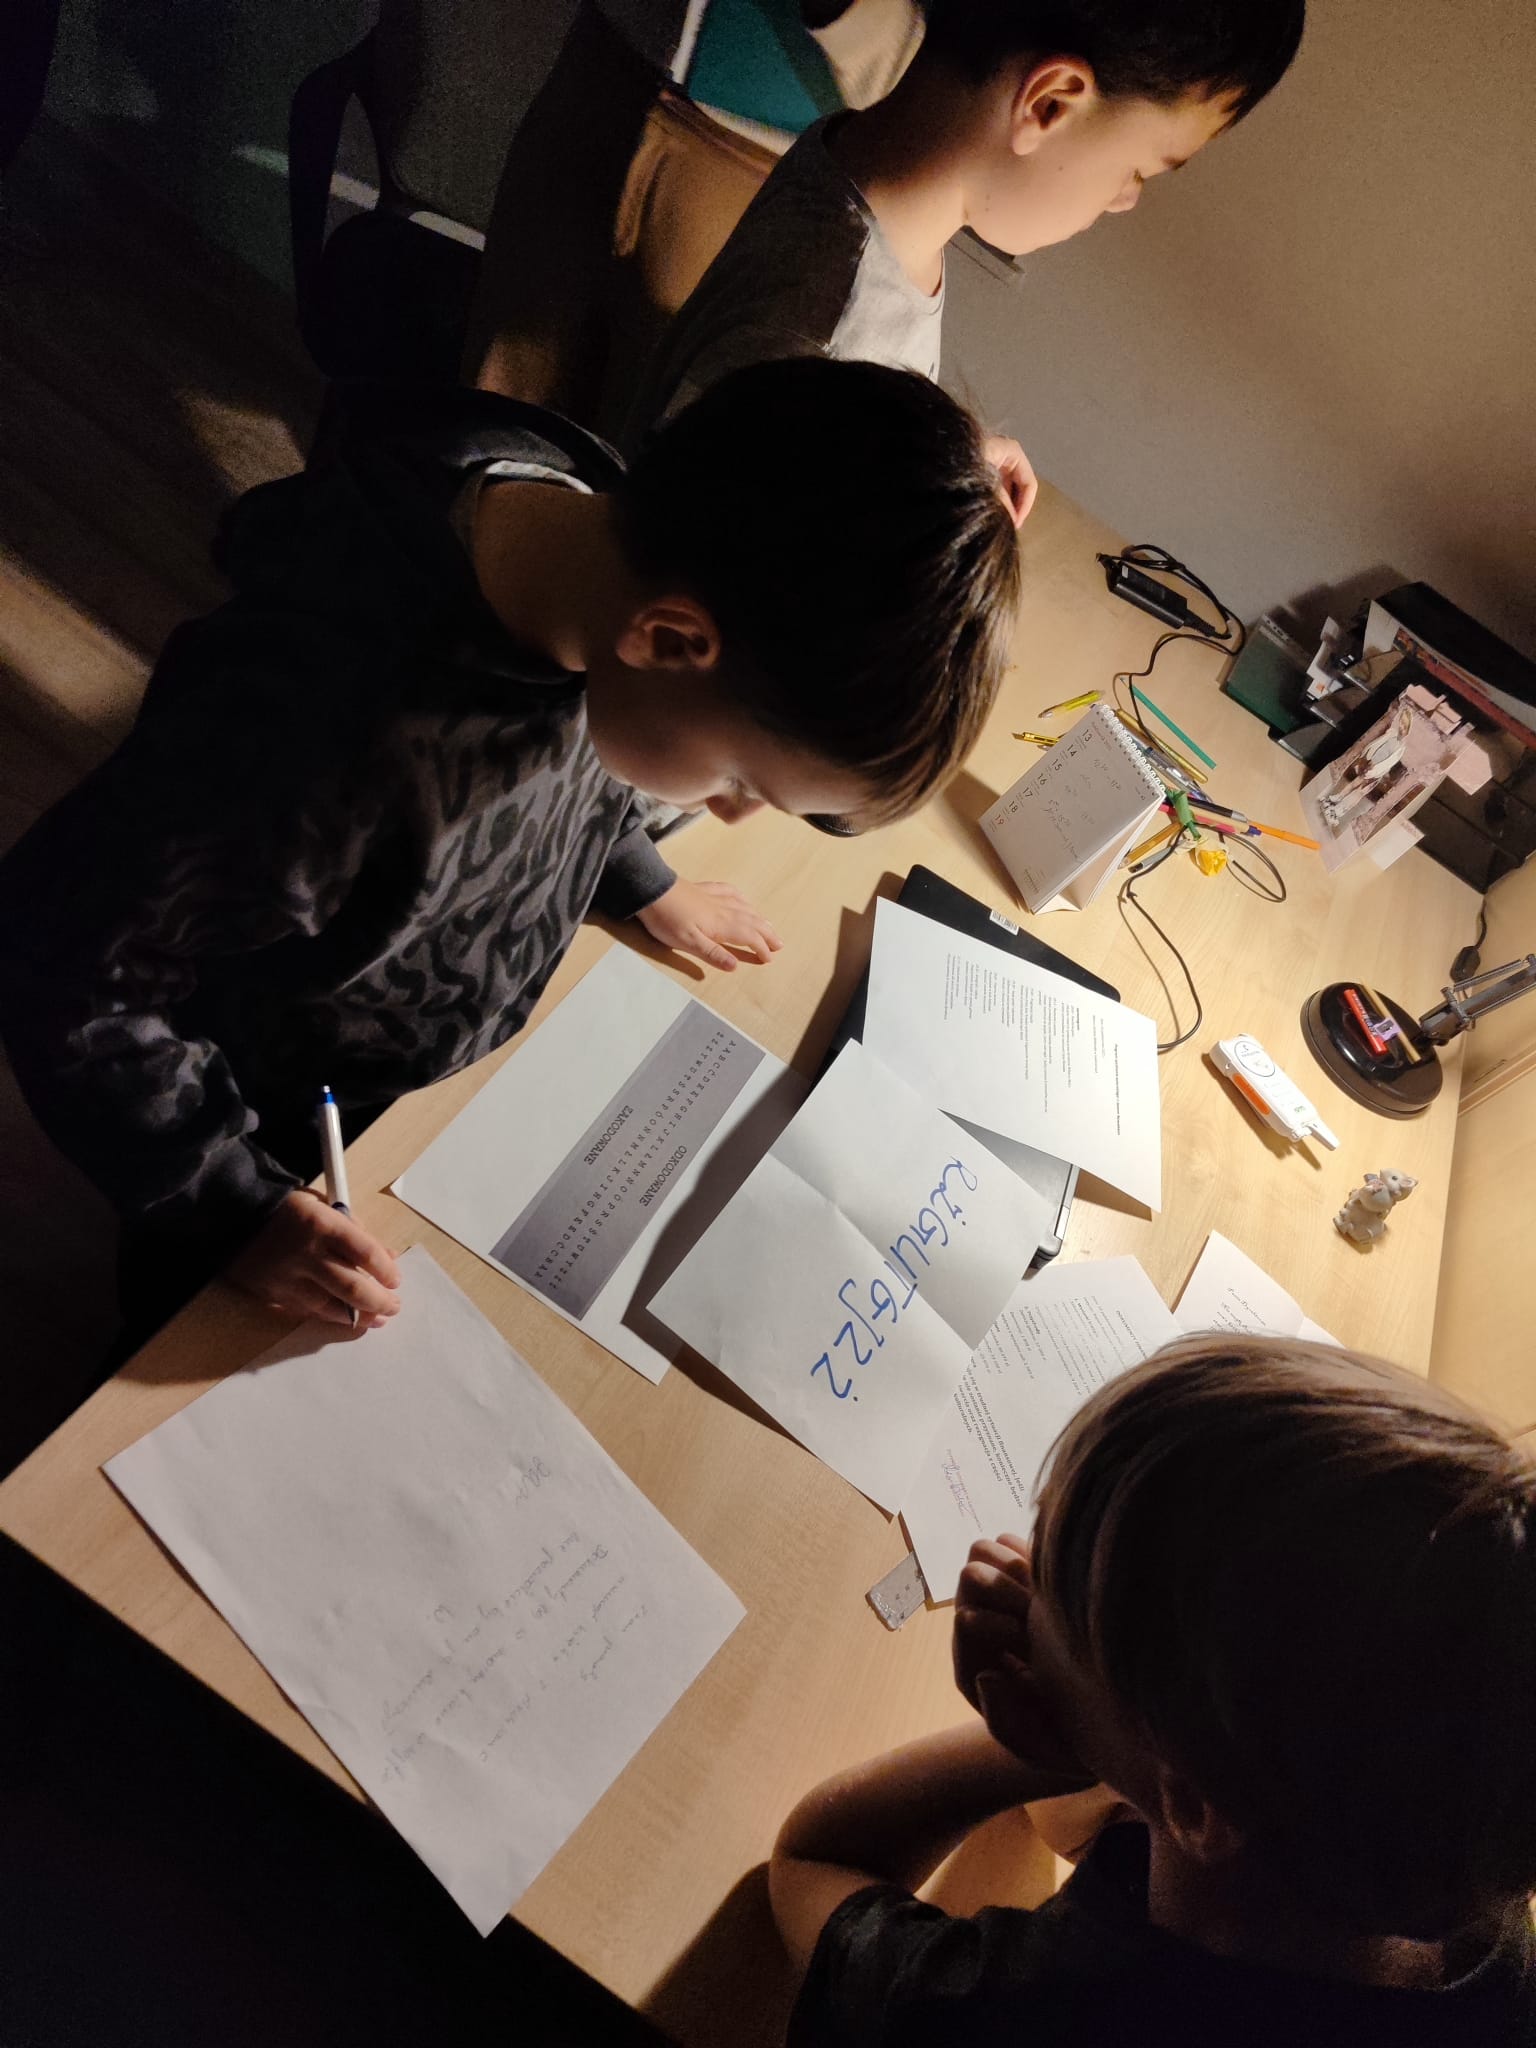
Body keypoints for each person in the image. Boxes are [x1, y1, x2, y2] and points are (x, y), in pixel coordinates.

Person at [0, 358, 1017, 1349]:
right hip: (272, 1109)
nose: (729, 811)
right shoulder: (318, 752)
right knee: (196, 1335)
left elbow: (580, 759)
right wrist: (228, 1208)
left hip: (413, 1060)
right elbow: (63, 964)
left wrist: (632, 872)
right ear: (669, 641)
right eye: (741, 781)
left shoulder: (605, 542)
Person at [771, 1334, 1536, 2043]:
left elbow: (816, 1858)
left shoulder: (1004, 2015)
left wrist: (1040, 1746)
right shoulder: (1474, 1879)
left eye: (1057, 1592)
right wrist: (1109, 1722)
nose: (1022, 1573)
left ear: (1195, 1803)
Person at [626, 0, 1308, 516]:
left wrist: (931, 451)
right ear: (1049, 104)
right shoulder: (816, 345)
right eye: (1140, 172)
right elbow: (693, 584)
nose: (1126, 200)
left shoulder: (858, 166)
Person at [463, 1, 923, 437]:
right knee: (494, 407)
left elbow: (950, 71)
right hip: (610, 62)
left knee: (649, 459)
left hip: (760, 155)